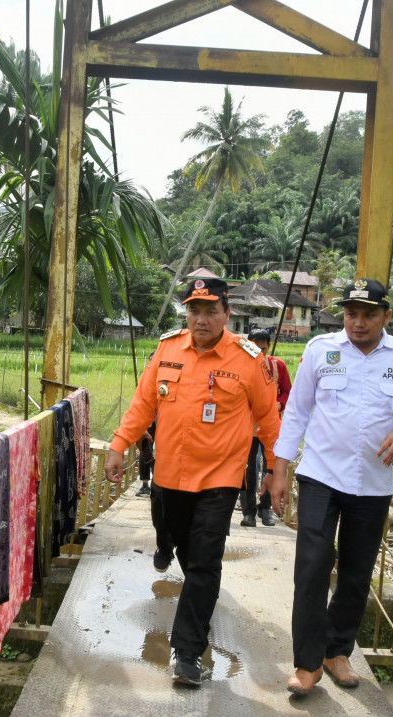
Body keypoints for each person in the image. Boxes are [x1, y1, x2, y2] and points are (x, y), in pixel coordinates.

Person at [105, 277, 281, 687]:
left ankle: (186, 652)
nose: (201, 319)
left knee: (204, 562)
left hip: (220, 479)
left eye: (210, 311)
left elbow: (270, 420)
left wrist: (275, 470)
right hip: (169, 476)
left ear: (226, 313)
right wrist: (119, 445)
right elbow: (143, 403)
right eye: (194, 310)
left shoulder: (248, 359)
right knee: (183, 546)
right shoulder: (168, 349)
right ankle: (189, 582)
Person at [267, 277, 393, 695]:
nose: (359, 322)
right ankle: (306, 664)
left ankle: (337, 652)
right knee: (313, 567)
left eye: (369, 314)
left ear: (386, 316)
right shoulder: (322, 350)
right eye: (352, 313)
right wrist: (279, 470)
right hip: (321, 475)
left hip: (374, 484)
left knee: (357, 574)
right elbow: (297, 412)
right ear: (343, 315)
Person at [241, 329, 292, 527]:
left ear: (268, 347)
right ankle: (248, 512)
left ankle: (265, 509)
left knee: (269, 468)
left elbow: (287, 390)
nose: (259, 353)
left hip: (271, 427)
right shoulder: (241, 365)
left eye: (263, 349)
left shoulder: (278, 365)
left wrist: (280, 403)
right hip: (247, 427)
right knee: (247, 470)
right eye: (255, 348)